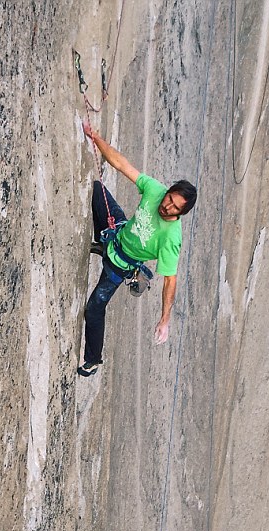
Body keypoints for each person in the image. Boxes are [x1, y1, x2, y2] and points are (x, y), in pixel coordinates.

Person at [78, 122, 197, 377]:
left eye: (175, 207)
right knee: (98, 191)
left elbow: (170, 281)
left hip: (120, 265)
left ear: (182, 214)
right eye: (169, 199)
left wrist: (165, 320)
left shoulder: (171, 238)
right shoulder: (155, 190)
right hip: (119, 232)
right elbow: (122, 165)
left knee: (95, 308)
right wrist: (96, 138)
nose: (167, 207)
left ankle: (93, 359)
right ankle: (102, 242)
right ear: (168, 191)